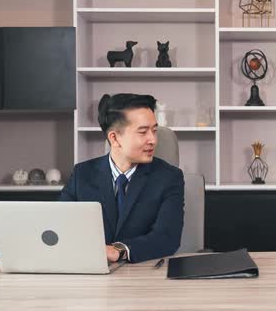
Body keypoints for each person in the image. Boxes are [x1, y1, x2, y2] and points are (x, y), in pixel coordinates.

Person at [60, 93, 185, 263]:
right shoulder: (82, 174)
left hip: (145, 275)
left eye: (154, 130)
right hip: (90, 273)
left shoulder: (169, 177)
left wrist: (120, 250)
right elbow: (61, 228)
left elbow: (167, 238)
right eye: (143, 132)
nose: (153, 140)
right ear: (114, 138)